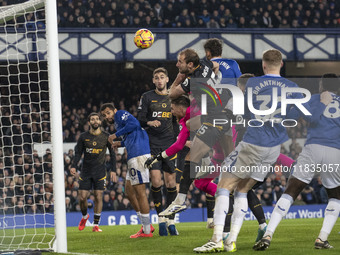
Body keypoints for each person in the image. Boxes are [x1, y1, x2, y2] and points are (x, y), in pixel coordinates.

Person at [194, 49, 305, 252]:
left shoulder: (253, 83)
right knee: (242, 190)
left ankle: (217, 238)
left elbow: (241, 108)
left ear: (263, 65)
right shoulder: (293, 87)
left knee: (223, 185)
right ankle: (231, 241)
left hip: (253, 142)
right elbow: (297, 113)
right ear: (281, 64)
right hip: (273, 148)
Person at [254, 73, 340, 250]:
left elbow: (293, 117)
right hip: (335, 151)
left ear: (321, 85)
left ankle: (268, 234)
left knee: (291, 191)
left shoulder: (314, 99)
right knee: (336, 196)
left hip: (312, 148)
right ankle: (321, 238)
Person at [100, 103, 154, 238]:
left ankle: (147, 231)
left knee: (140, 193)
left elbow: (135, 124)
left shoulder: (120, 115)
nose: (107, 116)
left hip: (139, 154)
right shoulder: (119, 123)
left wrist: (115, 135)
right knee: (129, 191)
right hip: (133, 155)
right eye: (104, 115)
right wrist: (120, 142)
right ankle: (146, 224)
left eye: (108, 113)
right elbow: (130, 134)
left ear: (114, 111)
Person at [137, 67, 178, 236]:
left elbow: (178, 120)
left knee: (170, 184)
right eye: (156, 78)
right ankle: (161, 218)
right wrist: (149, 122)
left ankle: (171, 220)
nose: (159, 80)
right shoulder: (147, 97)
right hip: (152, 145)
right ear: (153, 80)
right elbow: (140, 119)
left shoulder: (173, 97)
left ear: (167, 79)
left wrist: (179, 139)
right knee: (156, 182)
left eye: (162, 77)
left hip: (169, 145)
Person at [70, 112, 116, 232]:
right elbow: (78, 153)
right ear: (89, 122)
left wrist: (114, 170)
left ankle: (96, 225)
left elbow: (112, 154)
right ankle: (85, 217)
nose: (95, 121)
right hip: (86, 171)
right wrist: (74, 166)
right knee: (82, 197)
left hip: (100, 171)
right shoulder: (83, 136)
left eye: (97, 119)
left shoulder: (107, 136)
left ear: (100, 122)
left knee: (98, 196)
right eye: (92, 119)